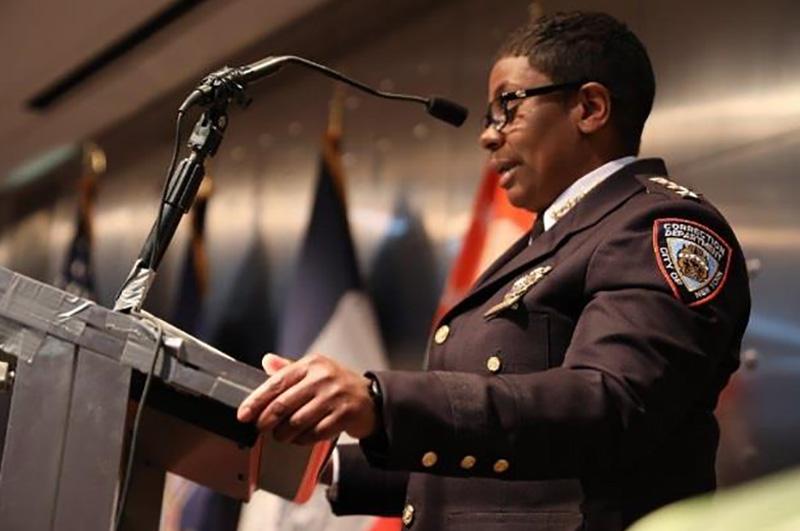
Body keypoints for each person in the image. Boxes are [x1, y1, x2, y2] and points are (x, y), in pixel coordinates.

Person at [237, 11, 751, 530]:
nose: (488, 136)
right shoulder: (552, 241)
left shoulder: (659, 225)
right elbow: (501, 463)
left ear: (590, 108)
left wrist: (382, 400)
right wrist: (323, 458)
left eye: (509, 106)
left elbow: (611, 405)